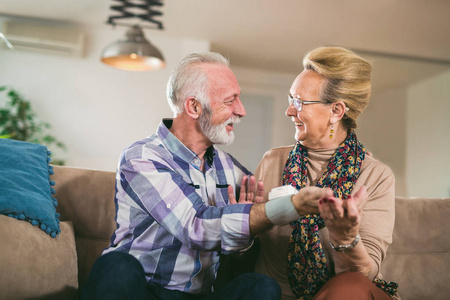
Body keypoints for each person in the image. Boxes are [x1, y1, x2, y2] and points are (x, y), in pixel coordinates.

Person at [81, 52, 331, 300]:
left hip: (200, 295)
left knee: (261, 287)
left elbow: (236, 243)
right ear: (194, 107)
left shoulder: (230, 169)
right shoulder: (142, 158)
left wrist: (245, 239)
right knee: (117, 266)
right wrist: (289, 207)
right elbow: (195, 226)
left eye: (239, 99)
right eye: (230, 101)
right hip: (141, 289)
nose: (241, 111)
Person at [251, 47, 399, 300]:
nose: (289, 111)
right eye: (290, 99)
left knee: (348, 286)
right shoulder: (273, 161)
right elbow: (244, 251)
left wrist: (346, 240)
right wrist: (248, 222)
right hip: (275, 293)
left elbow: (366, 273)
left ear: (336, 111)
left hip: (348, 293)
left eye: (299, 102)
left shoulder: (376, 176)